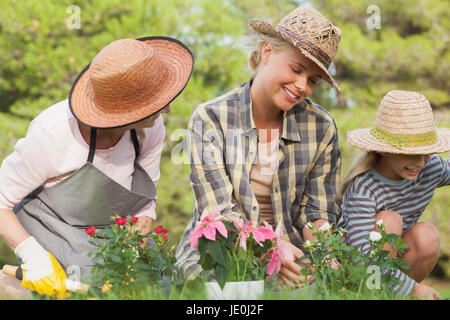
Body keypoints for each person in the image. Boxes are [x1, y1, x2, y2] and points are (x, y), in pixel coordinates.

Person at [0, 36, 194, 298]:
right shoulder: (53, 134)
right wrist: (32, 255)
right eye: (156, 104)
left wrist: (128, 256)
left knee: (157, 288)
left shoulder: (150, 129)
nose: (168, 110)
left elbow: (144, 205)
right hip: (53, 237)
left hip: (111, 238)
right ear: (124, 112)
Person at [175, 6, 343, 288]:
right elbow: (220, 215)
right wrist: (271, 251)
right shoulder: (210, 119)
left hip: (294, 254)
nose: (302, 85)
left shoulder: (321, 127)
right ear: (267, 52)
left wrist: (326, 256)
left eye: (312, 80)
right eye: (296, 69)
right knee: (229, 287)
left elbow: (317, 213)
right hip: (219, 251)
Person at [337, 90, 450, 300]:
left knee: (427, 235)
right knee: (389, 221)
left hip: (392, 261)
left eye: (427, 152)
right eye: (411, 153)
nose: (421, 162)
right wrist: (414, 289)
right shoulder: (363, 187)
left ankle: (391, 295)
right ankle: (373, 295)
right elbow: (362, 254)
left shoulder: (429, 167)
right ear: (385, 149)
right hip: (354, 267)